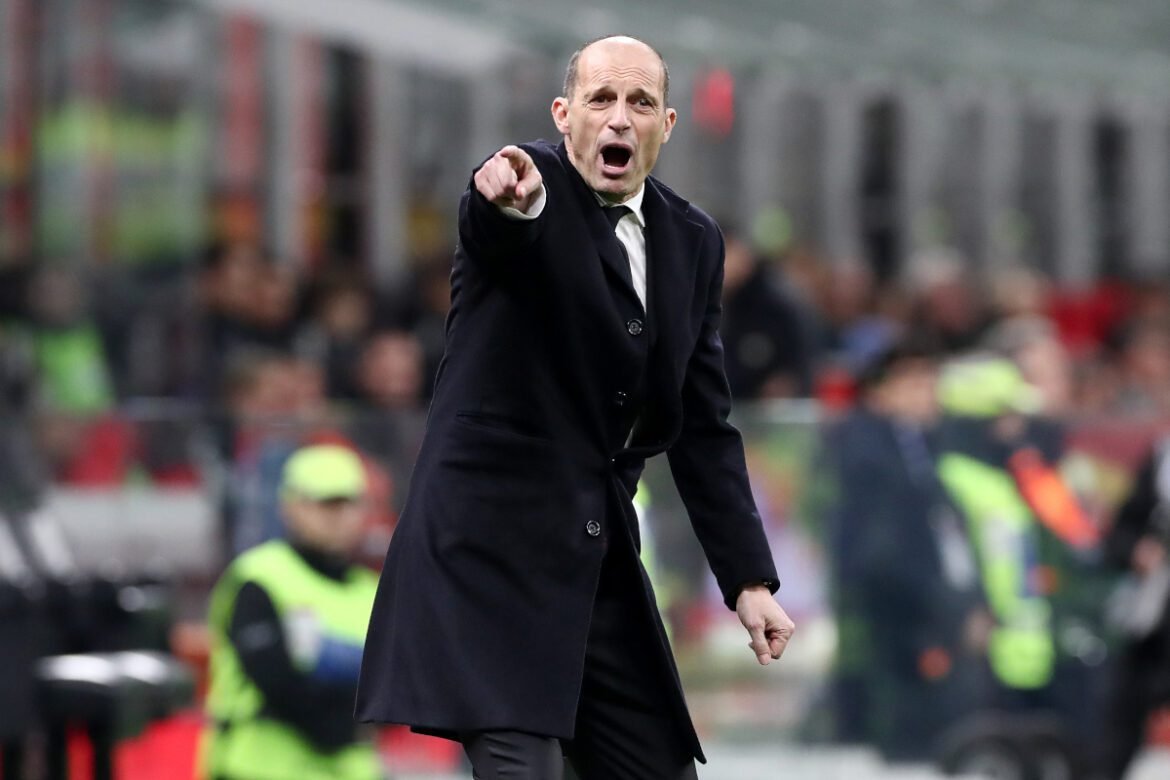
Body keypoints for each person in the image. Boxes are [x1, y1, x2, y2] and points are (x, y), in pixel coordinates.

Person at [356, 34, 794, 779]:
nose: (619, 118)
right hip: (488, 558)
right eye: (600, 99)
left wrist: (748, 580)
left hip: (595, 563)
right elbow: (495, 225)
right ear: (564, 115)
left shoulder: (693, 240)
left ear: (667, 125)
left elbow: (703, 426)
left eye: (640, 102)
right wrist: (506, 200)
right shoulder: (527, 190)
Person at [828, 342, 985, 761]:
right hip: (895, 593)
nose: (929, 394)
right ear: (881, 391)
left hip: (936, 589)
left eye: (931, 382)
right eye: (915, 383)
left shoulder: (936, 443)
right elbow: (878, 532)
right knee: (902, 694)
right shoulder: (863, 442)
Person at [199, 444, 382, 780]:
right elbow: (278, 684)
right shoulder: (260, 578)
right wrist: (350, 722)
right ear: (290, 506)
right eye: (325, 504)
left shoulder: (374, 592)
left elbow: (393, 689)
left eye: (348, 503)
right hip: (258, 770)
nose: (337, 516)